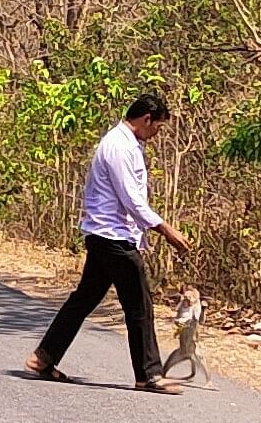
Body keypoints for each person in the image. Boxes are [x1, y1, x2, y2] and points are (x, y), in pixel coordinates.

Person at [26, 93, 192, 393]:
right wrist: (165, 229)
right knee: (139, 304)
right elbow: (131, 199)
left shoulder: (128, 145)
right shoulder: (117, 147)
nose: (157, 134)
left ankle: (43, 358)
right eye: (158, 128)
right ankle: (148, 375)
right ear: (146, 119)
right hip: (111, 236)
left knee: (84, 299)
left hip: (107, 234)